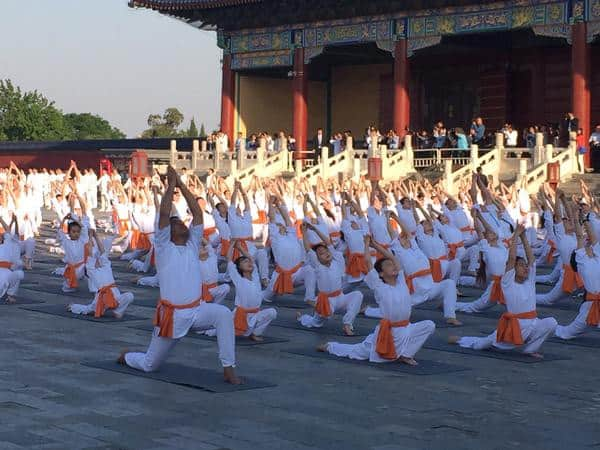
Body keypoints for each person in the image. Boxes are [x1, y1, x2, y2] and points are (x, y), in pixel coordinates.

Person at [118, 166, 241, 385]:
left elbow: (197, 213)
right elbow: (165, 214)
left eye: (182, 223)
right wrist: (170, 186)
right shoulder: (164, 247)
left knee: (223, 314)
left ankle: (228, 367)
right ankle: (127, 356)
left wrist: (182, 185)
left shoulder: (193, 243)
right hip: (172, 317)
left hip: (197, 310)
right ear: (168, 231)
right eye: (177, 224)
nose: (182, 224)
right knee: (150, 365)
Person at [317, 235, 435, 365]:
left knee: (429, 325)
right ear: (381, 274)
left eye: (393, 265)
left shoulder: (401, 282)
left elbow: (393, 258)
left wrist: (376, 245)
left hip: (406, 328)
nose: (393, 266)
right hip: (388, 333)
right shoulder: (379, 286)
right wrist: (367, 245)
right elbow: (368, 263)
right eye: (389, 266)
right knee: (357, 351)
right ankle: (331, 346)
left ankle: (406, 355)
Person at [449, 224, 557, 358]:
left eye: (525, 266)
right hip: (514, 327)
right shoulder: (508, 282)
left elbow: (532, 260)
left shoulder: (529, 281)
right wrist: (516, 235)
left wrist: (523, 238)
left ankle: (530, 349)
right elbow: (511, 259)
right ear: (513, 269)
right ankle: (462, 340)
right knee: (481, 345)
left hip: (533, 324)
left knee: (551, 322)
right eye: (521, 266)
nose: (525, 268)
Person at [297, 222, 363, 336]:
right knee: (315, 323)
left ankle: (347, 324)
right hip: (327, 301)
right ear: (317, 258)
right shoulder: (318, 266)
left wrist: (315, 229)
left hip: (340, 297)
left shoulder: (336, 259)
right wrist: (304, 232)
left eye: (326, 251)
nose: (326, 253)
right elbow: (308, 248)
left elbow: (328, 243)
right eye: (321, 254)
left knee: (358, 295)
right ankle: (302, 318)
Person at [67, 229, 133, 318]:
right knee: (88, 310)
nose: (98, 260)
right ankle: (73, 307)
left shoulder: (106, 265)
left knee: (129, 296)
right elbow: (89, 252)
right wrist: (90, 236)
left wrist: (96, 236)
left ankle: (118, 311)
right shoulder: (91, 269)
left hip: (116, 297)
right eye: (96, 260)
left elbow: (103, 251)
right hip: (102, 299)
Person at [555, 217, 600, 339]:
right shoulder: (582, 262)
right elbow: (580, 237)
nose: (589, 246)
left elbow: (593, 238)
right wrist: (577, 219)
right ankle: (551, 328)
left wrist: (585, 220)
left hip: (594, 301)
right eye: (586, 248)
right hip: (591, 306)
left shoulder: (597, 257)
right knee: (567, 333)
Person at [226, 240, 277, 341]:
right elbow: (228, 260)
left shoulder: (255, 277)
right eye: (245, 262)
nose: (249, 262)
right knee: (217, 332)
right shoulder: (238, 278)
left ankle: (255, 333)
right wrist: (232, 244)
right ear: (239, 268)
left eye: (248, 261)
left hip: (254, 315)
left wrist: (240, 248)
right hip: (239, 316)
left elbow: (251, 259)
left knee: (272, 312)